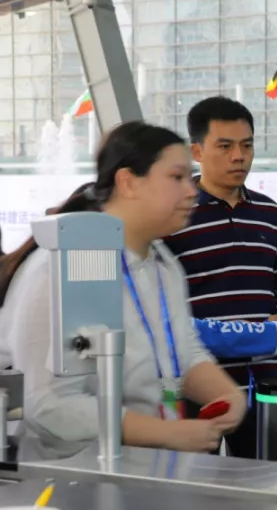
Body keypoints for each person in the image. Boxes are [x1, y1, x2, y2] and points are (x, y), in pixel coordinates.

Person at [0, 122, 247, 462]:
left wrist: (227, 394)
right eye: (176, 177)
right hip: (73, 476)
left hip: (145, 469)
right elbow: (49, 405)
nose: (192, 191)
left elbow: (182, 349)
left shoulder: (163, 265)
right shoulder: (61, 267)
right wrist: (164, 432)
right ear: (128, 182)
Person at [164, 96, 277, 459]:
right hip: (198, 380)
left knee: (269, 474)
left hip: (265, 376)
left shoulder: (268, 211)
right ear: (197, 151)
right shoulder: (176, 215)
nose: (239, 156)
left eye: (247, 146)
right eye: (225, 146)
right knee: (195, 479)